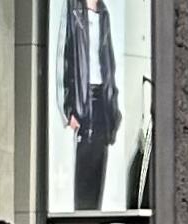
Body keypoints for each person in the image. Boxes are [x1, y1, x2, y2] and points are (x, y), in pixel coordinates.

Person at [59, 0, 121, 210]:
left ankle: (94, 212)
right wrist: (68, 108)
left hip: (102, 97)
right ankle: (82, 214)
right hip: (81, 97)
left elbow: (109, 61)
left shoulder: (103, 13)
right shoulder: (73, 9)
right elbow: (64, 59)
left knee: (99, 160)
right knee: (83, 160)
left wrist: (113, 104)